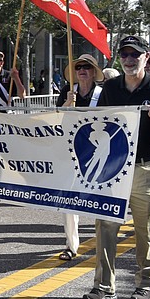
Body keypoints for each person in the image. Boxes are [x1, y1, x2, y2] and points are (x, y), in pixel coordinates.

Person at [83, 35, 150, 299]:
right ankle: (103, 287)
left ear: (146, 58)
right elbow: (99, 121)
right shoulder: (111, 87)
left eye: (135, 54)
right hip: (114, 168)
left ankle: (145, 284)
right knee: (105, 226)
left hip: (147, 167)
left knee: (146, 229)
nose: (129, 60)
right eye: (124, 54)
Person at [56, 53, 104, 260]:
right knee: (69, 200)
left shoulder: (103, 93)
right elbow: (55, 119)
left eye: (86, 67)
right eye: (78, 67)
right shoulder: (67, 92)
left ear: (94, 72)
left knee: (101, 200)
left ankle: (103, 243)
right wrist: (67, 104)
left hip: (97, 152)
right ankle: (71, 245)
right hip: (71, 151)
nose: (82, 70)